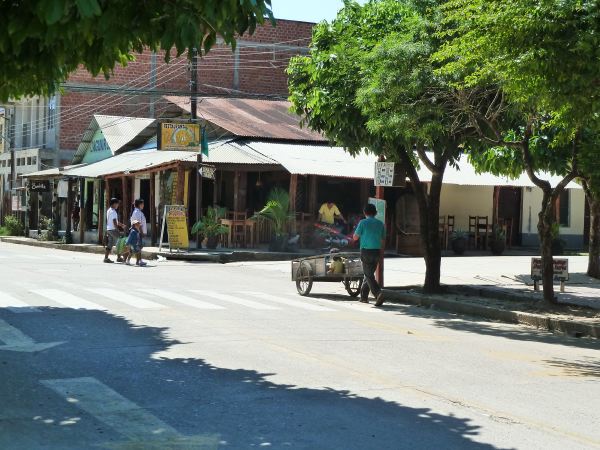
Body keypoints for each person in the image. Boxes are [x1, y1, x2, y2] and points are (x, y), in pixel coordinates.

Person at [353, 203, 386, 306]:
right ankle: (363, 297)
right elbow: (383, 239)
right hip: (377, 251)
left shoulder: (362, 222)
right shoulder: (381, 223)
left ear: (364, 213)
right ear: (375, 213)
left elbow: (355, 237)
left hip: (366, 251)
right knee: (369, 274)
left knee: (368, 275)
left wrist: (355, 236)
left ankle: (378, 293)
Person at [103, 198, 125, 263]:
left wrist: (121, 225)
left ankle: (106, 258)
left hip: (109, 229)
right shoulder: (113, 211)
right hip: (113, 229)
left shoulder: (109, 210)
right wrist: (117, 230)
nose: (118, 205)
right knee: (121, 239)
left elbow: (115, 221)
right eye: (117, 203)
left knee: (110, 243)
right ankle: (119, 257)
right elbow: (114, 221)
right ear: (114, 204)